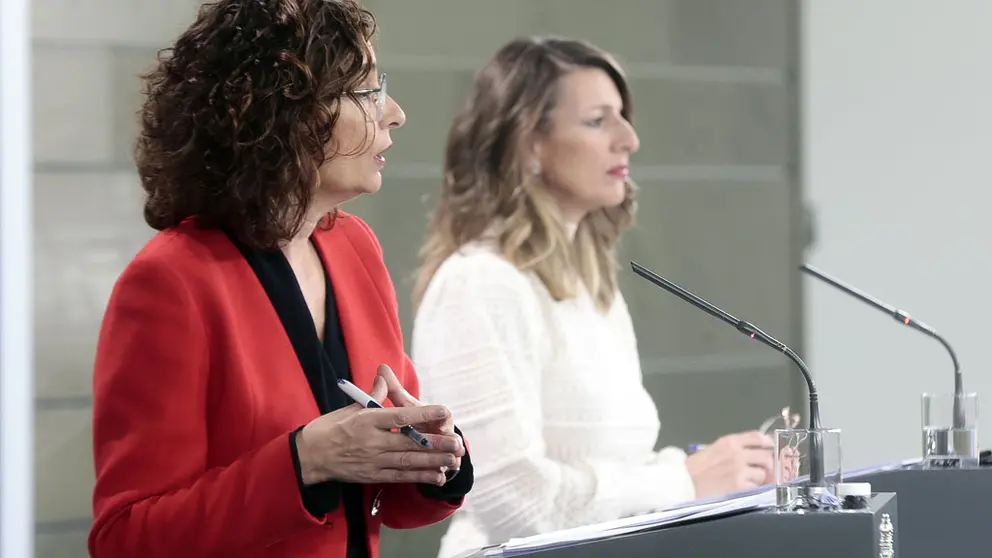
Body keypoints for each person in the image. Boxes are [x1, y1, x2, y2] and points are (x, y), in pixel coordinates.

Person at [88, 1, 473, 557]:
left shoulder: (353, 246)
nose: (394, 113)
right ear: (283, 113)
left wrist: (431, 456)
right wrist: (304, 463)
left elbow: (380, 503)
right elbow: (126, 539)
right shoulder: (169, 281)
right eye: (365, 91)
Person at [410, 36, 775, 558]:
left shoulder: (589, 284)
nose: (629, 139)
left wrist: (726, 469)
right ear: (530, 143)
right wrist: (684, 481)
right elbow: (514, 502)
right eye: (598, 120)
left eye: (623, 116)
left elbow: (619, 476)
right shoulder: (481, 283)